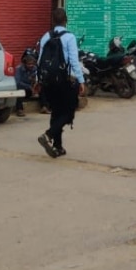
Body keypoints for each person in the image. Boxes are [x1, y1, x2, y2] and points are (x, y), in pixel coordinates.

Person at [35, 8, 85, 158]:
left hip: (48, 81)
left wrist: (38, 80)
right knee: (68, 112)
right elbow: (74, 61)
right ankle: (48, 135)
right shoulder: (69, 37)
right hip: (65, 81)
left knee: (56, 112)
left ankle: (58, 146)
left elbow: (40, 61)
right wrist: (81, 80)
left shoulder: (45, 37)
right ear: (66, 21)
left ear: (52, 21)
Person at [14, 53, 38, 117]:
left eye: (32, 64)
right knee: (19, 92)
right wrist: (29, 87)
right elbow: (17, 82)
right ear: (24, 64)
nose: (31, 65)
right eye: (29, 64)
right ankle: (19, 109)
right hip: (22, 88)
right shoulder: (19, 69)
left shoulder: (34, 69)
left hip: (30, 90)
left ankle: (45, 106)